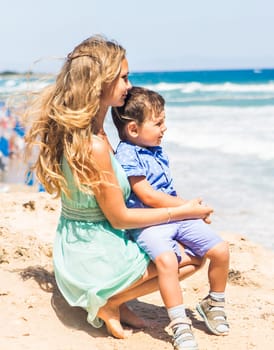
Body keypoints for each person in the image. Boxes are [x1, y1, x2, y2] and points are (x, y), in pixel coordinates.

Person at [23, 35, 214, 348]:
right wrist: (184, 211)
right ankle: (109, 301)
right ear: (101, 83)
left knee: (177, 241)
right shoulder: (95, 145)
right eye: (123, 77)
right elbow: (120, 217)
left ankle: (118, 300)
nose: (128, 85)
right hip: (94, 251)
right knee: (194, 256)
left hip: (80, 240)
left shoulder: (90, 131)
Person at [111, 86, 230, 349]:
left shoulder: (155, 148)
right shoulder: (128, 154)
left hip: (176, 216)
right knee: (167, 261)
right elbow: (149, 196)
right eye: (158, 122)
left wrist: (190, 211)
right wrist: (189, 207)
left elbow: (166, 191)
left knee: (220, 250)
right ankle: (179, 323)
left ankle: (214, 302)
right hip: (149, 221)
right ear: (133, 129)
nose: (164, 128)